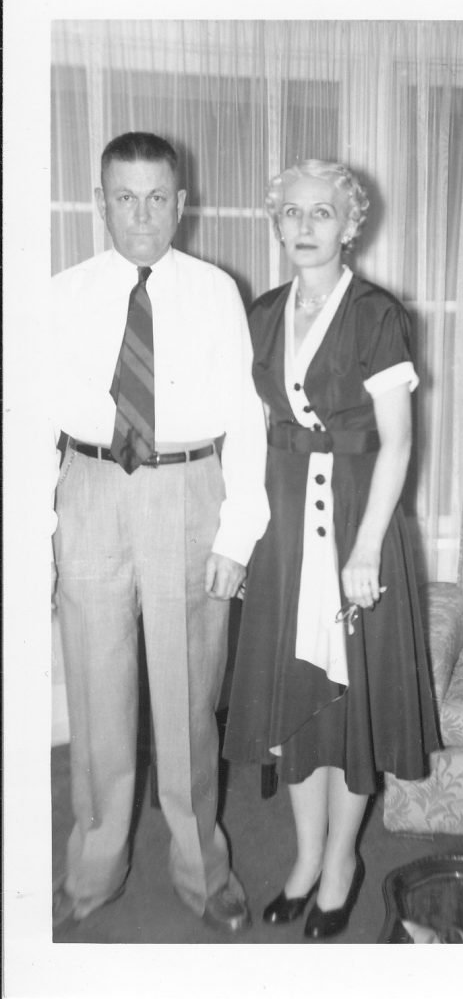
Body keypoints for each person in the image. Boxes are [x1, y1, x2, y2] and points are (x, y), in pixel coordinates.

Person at [50, 131, 269, 937]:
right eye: (124, 197)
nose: (141, 216)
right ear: (99, 202)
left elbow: (247, 418)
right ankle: (93, 869)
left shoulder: (216, 291)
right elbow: (29, 420)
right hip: (89, 489)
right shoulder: (60, 294)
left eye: (156, 198)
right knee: (96, 695)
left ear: (181, 204)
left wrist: (237, 536)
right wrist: (35, 535)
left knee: (187, 703)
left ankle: (202, 870)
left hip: (188, 490)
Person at [222, 160, 440, 940]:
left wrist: (367, 548)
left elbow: (397, 442)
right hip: (285, 525)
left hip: (356, 521)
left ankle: (342, 861)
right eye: (292, 212)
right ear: (276, 224)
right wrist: (241, 534)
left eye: (323, 212)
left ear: (350, 226)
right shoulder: (262, 313)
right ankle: (305, 857)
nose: (306, 225)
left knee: (350, 702)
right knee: (294, 699)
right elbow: (246, 431)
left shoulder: (376, 314)